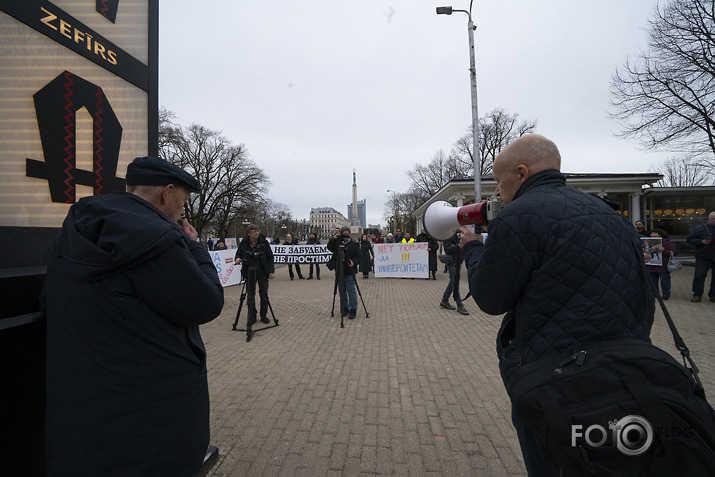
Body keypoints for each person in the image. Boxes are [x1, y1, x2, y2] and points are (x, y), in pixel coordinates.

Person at [458, 134, 654, 476]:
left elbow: (490, 299)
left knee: (552, 459)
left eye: (498, 180)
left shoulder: (517, 217)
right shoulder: (612, 216)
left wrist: (473, 249)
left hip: (552, 376)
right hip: (623, 369)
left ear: (521, 173)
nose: (498, 191)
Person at [42, 156, 225, 477]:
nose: (184, 211)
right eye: (183, 201)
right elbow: (207, 302)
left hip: (84, 415)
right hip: (149, 428)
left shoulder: (76, 230)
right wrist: (194, 246)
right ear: (166, 194)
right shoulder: (159, 241)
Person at [236, 224, 275, 323]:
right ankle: (252, 315)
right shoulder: (244, 243)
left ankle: (263, 315)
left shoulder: (264, 242)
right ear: (249, 233)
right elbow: (238, 253)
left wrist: (271, 271)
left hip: (262, 271)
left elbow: (270, 257)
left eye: (257, 230)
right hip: (249, 270)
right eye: (254, 231)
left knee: (264, 294)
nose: (257, 233)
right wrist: (237, 258)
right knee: (250, 295)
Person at [327, 226, 361, 319]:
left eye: (347, 232)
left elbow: (358, 256)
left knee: (351, 292)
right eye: (344, 232)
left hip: (349, 271)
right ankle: (345, 308)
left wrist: (353, 262)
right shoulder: (337, 243)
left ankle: (353, 309)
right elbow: (329, 247)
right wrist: (333, 239)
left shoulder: (354, 244)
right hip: (339, 271)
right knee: (341, 292)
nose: (346, 234)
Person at [687, 211, 715, 303]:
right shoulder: (700, 228)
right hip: (703, 255)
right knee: (699, 276)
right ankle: (697, 295)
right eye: (714, 218)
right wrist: (701, 242)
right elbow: (690, 239)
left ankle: (713, 295)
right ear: (709, 218)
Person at [440, 230, 469, 315]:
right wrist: (459, 246)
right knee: (455, 282)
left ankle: (444, 300)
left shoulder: (460, 233)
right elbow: (447, 249)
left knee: (452, 282)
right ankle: (460, 305)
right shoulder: (447, 235)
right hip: (452, 261)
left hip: (459, 261)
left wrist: (456, 246)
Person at [647, 229, 677, 300]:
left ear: (659, 235)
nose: (652, 235)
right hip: (651, 265)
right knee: (653, 281)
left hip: (663, 266)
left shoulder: (666, 242)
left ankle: (666, 294)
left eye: (654, 233)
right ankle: (654, 294)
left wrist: (664, 251)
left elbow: (674, 252)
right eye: (651, 233)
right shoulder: (647, 242)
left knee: (664, 281)